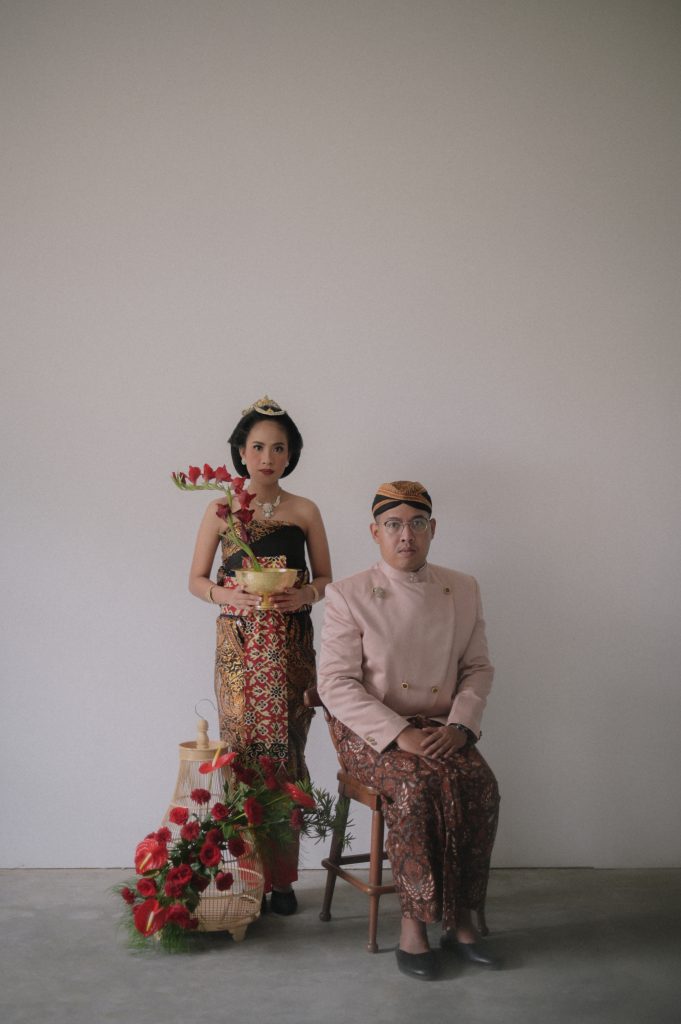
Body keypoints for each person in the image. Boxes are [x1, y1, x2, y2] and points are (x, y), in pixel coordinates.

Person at [317, 480, 499, 979]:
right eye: (393, 524)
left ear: (433, 529)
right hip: (369, 729)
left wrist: (461, 725)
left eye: (417, 523)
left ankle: (461, 922)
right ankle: (413, 928)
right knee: (416, 788)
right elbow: (334, 683)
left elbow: (477, 668)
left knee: (479, 784)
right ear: (374, 532)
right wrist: (399, 733)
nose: (406, 535)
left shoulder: (463, 587)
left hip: (440, 725)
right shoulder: (348, 593)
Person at [188, 395, 332, 914]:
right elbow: (195, 579)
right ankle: (246, 876)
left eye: (278, 447)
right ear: (241, 452)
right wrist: (226, 594)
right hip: (239, 647)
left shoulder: (304, 510)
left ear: (291, 454)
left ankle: (283, 881)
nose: (267, 457)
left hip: (291, 647)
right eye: (257, 447)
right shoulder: (221, 509)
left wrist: (306, 593)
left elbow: (326, 578)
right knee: (243, 754)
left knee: (284, 755)